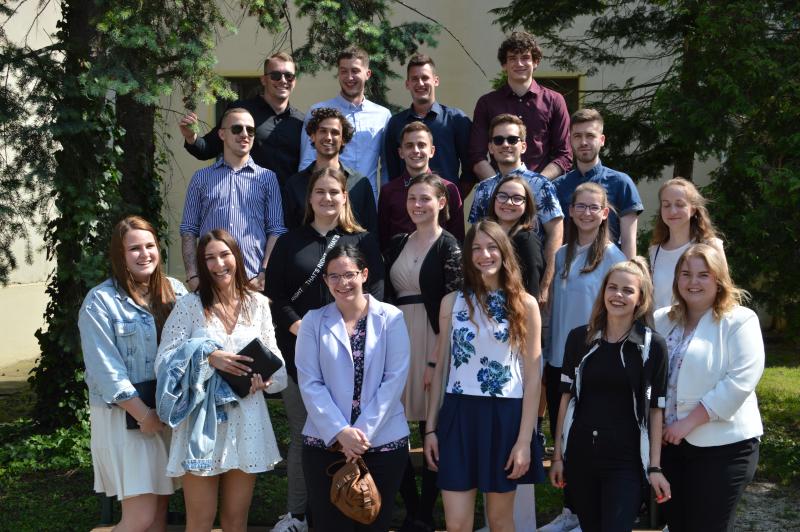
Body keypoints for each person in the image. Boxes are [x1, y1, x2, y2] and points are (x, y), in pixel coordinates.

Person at [265, 166, 385, 532]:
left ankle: (350, 507)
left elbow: (376, 294)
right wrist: (299, 328)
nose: (327, 198)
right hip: (298, 355)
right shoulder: (289, 242)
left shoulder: (362, 241)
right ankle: (299, 515)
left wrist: (351, 336)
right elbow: (275, 296)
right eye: (320, 192)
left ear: (345, 196)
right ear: (309, 198)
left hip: (353, 358)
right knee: (305, 434)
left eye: (334, 192)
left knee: (350, 433)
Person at [155, 229, 287, 532]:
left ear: (236, 257)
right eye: (209, 258)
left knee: (235, 521)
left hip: (247, 420)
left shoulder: (258, 304)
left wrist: (266, 382)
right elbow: (164, 362)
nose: (218, 264)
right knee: (199, 522)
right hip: (201, 423)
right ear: (202, 264)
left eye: (224, 254)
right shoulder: (189, 306)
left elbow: (278, 369)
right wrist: (208, 355)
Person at [424, 220, 545, 532]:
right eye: (476, 248)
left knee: (500, 521)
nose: (484, 254)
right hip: (458, 414)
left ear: (504, 252)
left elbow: (533, 377)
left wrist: (524, 440)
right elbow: (441, 369)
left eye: (492, 247)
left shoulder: (525, 304)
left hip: (504, 417)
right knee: (457, 524)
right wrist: (430, 429)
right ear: (467, 255)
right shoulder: (451, 302)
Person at [78, 215, 187, 532]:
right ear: (120, 255)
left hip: (166, 415)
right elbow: (105, 371)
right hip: (126, 418)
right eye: (134, 248)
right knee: (140, 517)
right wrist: (143, 415)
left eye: (150, 246)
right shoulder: (100, 302)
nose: (144, 254)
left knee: (158, 512)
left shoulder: (175, 292)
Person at [295, 244, 411, 532]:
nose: (342, 282)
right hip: (324, 444)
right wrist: (340, 432)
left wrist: (360, 435)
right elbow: (310, 382)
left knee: (374, 525)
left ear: (364, 274)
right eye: (334, 276)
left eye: (349, 274)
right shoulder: (312, 321)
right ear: (325, 280)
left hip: (382, 443)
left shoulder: (391, 318)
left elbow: (394, 380)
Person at [549, 258, 671, 531]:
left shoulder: (653, 346)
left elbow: (656, 409)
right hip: (581, 457)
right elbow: (565, 399)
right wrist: (557, 457)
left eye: (628, 290)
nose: (618, 295)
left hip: (626, 461)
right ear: (603, 291)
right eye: (612, 287)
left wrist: (654, 467)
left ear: (640, 299)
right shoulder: (579, 339)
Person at [655, 244, 764, 532]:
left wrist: (687, 423)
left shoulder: (740, 320)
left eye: (703, 274)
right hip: (669, 447)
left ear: (719, 279)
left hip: (724, 449)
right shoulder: (661, 319)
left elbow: (740, 381)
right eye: (686, 273)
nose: (693, 282)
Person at [539, 182, 627, 532]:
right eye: (580, 206)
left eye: (594, 207)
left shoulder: (613, 258)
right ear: (571, 211)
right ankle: (570, 509)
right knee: (563, 434)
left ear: (605, 213)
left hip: (593, 360)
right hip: (559, 359)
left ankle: (588, 511)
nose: (586, 212)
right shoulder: (561, 254)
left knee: (588, 437)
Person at [383, 173, 463, 531]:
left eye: (425, 199)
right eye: (412, 198)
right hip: (397, 341)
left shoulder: (450, 246)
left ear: (441, 203)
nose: (417, 205)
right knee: (392, 425)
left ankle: (426, 512)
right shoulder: (397, 243)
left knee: (433, 426)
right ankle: (410, 507)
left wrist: (436, 358)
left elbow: (455, 306)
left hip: (434, 339)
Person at [180, 107, 286, 293]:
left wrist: (264, 273)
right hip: (210, 281)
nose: (245, 134)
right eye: (237, 129)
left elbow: (276, 230)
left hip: (252, 282)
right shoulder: (201, 178)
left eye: (250, 130)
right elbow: (189, 229)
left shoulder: (267, 179)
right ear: (222, 134)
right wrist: (193, 276)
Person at [468, 113, 563, 304]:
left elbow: (556, 233)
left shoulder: (541, 185)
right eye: (498, 140)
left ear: (523, 146)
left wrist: (545, 285)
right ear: (490, 148)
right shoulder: (483, 189)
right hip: (488, 286)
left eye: (512, 139)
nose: (505, 144)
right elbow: (474, 238)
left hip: (529, 281)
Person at [179, 52, 304, 186]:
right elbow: (208, 148)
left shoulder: (301, 121)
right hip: (246, 196)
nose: (283, 80)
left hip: (289, 199)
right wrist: (191, 137)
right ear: (263, 80)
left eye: (289, 76)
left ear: (294, 81)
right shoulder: (241, 112)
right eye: (275, 75)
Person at [469, 31, 571, 181]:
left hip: (541, 188)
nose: (519, 63)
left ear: (535, 62)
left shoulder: (555, 101)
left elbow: (564, 154)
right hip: (497, 190)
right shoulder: (487, 103)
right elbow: (476, 155)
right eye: (512, 58)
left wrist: (537, 184)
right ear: (504, 65)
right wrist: (499, 186)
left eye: (525, 58)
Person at [298, 46, 391, 198]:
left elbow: (386, 167)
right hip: (328, 199)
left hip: (366, 200)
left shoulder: (382, 115)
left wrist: (386, 201)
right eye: (343, 71)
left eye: (355, 71)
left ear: (367, 74)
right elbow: (307, 161)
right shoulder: (318, 112)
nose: (349, 77)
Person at [554, 108, 643, 258]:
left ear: (602, 140)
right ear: (570, 140)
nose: (583, 142)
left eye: (590, 136)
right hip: (568, 267)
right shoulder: (557, 187)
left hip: (610, 268)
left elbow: (629, 241)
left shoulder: (621, 183)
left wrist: (629, 271)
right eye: (577, 136)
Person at [384, 53, 473, 194]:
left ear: (436, 81)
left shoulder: (456, 120)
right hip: (408, 204)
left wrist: (453, 199)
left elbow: (470, 171)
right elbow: (393, 172)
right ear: (407, 84)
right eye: (414, 79)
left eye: (425, 78)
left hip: (446, 204)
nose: (420, 83)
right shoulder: (396, 123)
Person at [283, 107, 377, 233]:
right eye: (323, 131)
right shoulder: (295, 184)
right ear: (312, 136)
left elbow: (371, 231)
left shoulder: (360, 183)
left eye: (335, 133)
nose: (328, 137)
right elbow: (288, 231)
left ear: (343, 140)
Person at [378, 122, 464, 250]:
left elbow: (458, 239)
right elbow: (383, 239)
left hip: (439, 260)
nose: (416, 150)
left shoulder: (449, 189)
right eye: (409, 146)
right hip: (399, 260)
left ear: (432, 151)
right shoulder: (388, 191)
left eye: (422, 145)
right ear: (401, 152)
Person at [649, 178, 725, 310]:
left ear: (693, 209)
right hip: (660, 323)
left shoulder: (710, 246)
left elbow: (724, 291)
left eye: (680, 204)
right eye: (666, 205)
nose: (672, 211)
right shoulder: (654, 251)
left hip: (699, 322)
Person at [487, 175, 545, 299]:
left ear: (526, 205)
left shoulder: (527, 240)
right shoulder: (483, 235)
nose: (508, 202)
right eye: (502, 196)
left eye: (517, 198)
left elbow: (532, 288)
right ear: (494, 199)